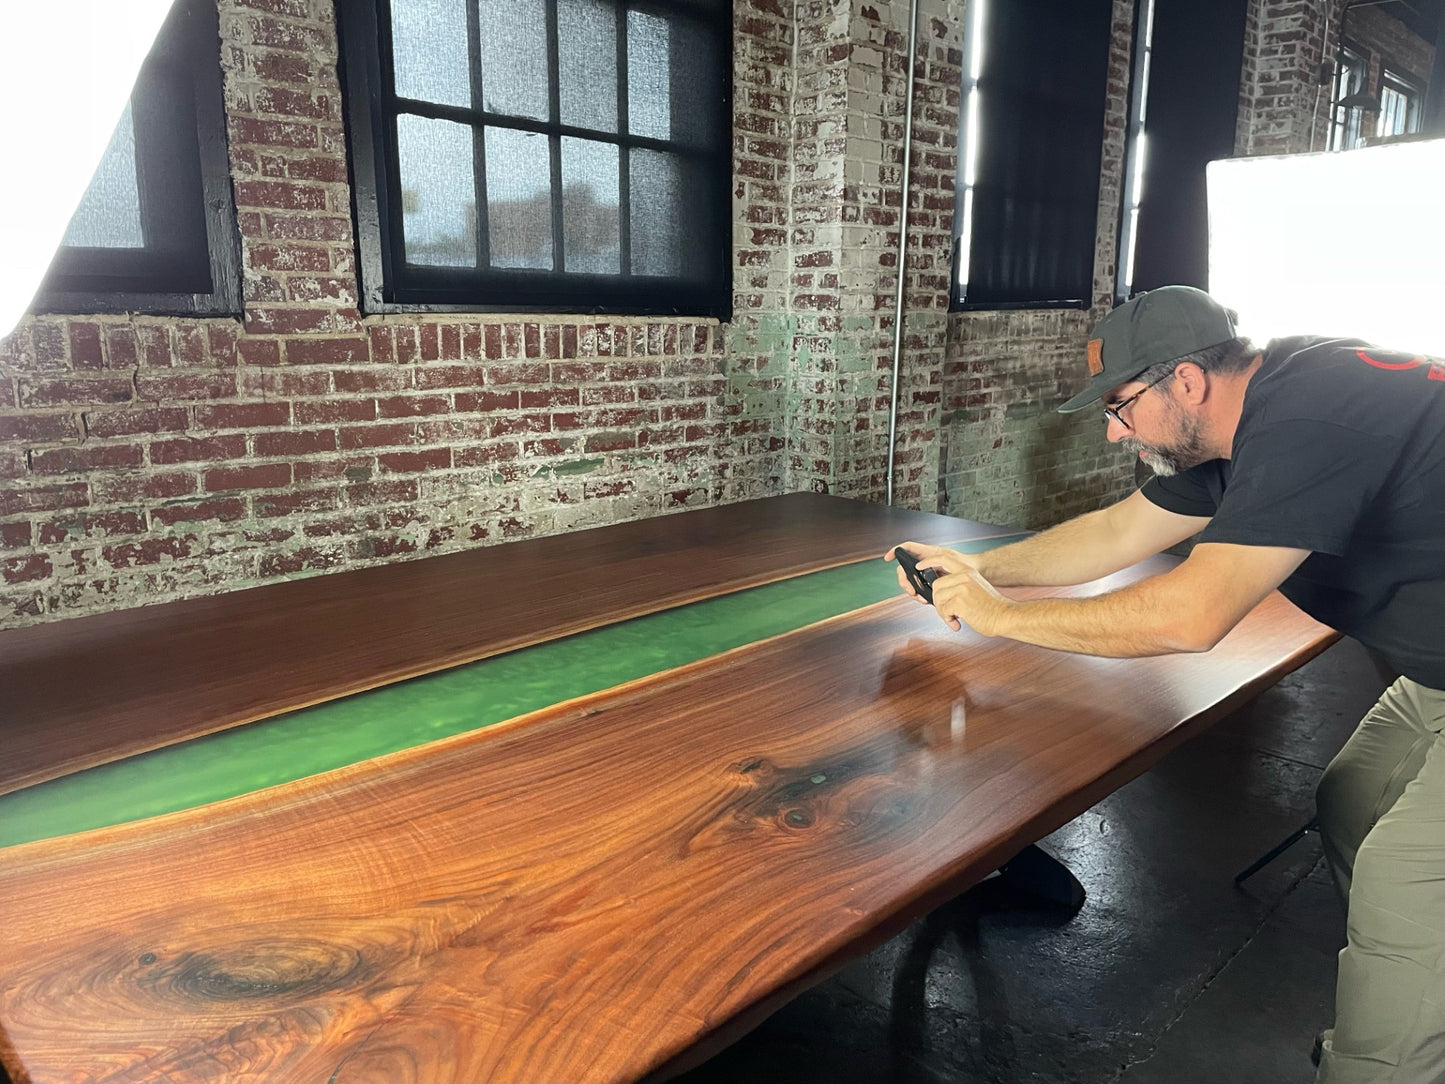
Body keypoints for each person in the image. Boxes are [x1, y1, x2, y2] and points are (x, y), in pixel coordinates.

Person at [889, 285, 1444, 1084]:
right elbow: (1120, 532)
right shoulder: (1243, 421)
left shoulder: (1301, 421)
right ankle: (1412, 1005)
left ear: (1184, 380)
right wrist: (978, 569)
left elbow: (1189, 616)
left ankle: (1391, 1057)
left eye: (1119, 408)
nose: (1115, 434)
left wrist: (997, 616)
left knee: (1407, 884)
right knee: (1353, 801)